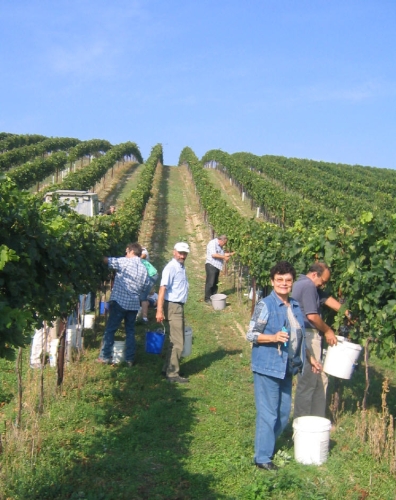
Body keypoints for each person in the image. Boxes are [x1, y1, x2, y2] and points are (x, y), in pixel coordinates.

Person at [246, 261, 321, 471]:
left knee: (282, 413)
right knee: (268, 413)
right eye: (279, 280)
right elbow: (250, 334)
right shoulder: (265, 305)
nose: (284, 284)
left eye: (288, 280)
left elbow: (298, 337)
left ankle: (267, 445)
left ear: (292, 282)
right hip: (267, 366)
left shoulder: (295, 306)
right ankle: (262, 457)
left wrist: (310, 357)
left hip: (287, 367)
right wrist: (273, 337)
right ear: (272, 282)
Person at [292, 262, 352, 419]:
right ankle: (302, 424)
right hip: (309, 335)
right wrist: (328, 330)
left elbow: (326, 299)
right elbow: (312, 316)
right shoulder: (308, 286)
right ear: (314, 275)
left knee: (320, 379)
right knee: (309, 381)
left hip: (309, 335)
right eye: (323, 281)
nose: (323, 284)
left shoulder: (306, 284)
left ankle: (318, 420)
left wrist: (346, 312)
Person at [97, 242, 150, 366]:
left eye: (126, 252)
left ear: (131, 251)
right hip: (133, 304)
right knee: (130, 331)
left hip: (120, 302)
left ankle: (104, 356)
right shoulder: (143, 268)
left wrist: (96, 254)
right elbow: (145, 286)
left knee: (110, 329)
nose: (125, 254)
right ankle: (129, 359)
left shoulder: (125, 262)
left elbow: (108, 261)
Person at [156, 242, 190, 383]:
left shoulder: (180, 267)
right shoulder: (171, 268)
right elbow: (162, 289)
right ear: (174, 252)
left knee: (174, 340)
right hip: (173, 306)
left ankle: (167, 368)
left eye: (184, 253)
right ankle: (173, 374)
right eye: (180, 253)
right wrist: (159, 310)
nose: (182, 255)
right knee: (178, 342)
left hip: (178, 306)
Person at [204, 235, 234, 303]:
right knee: (210, 283)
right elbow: (214, 254)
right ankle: (207, 298)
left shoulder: (220, 246)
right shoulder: (212, 243)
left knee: (215, 283)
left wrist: (231, 254)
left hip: (217, 266)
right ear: (221, 240)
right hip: (211, 265)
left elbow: (223, 254)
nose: (224, 244)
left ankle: (213, 297)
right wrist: (224, 258)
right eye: (224, 243)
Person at [139, 247, 158, 323]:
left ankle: (144, 318)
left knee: (143, 296)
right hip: (151, 274)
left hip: (151, 275)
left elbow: (144, 255)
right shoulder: (137, 259)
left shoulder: (138, 258)